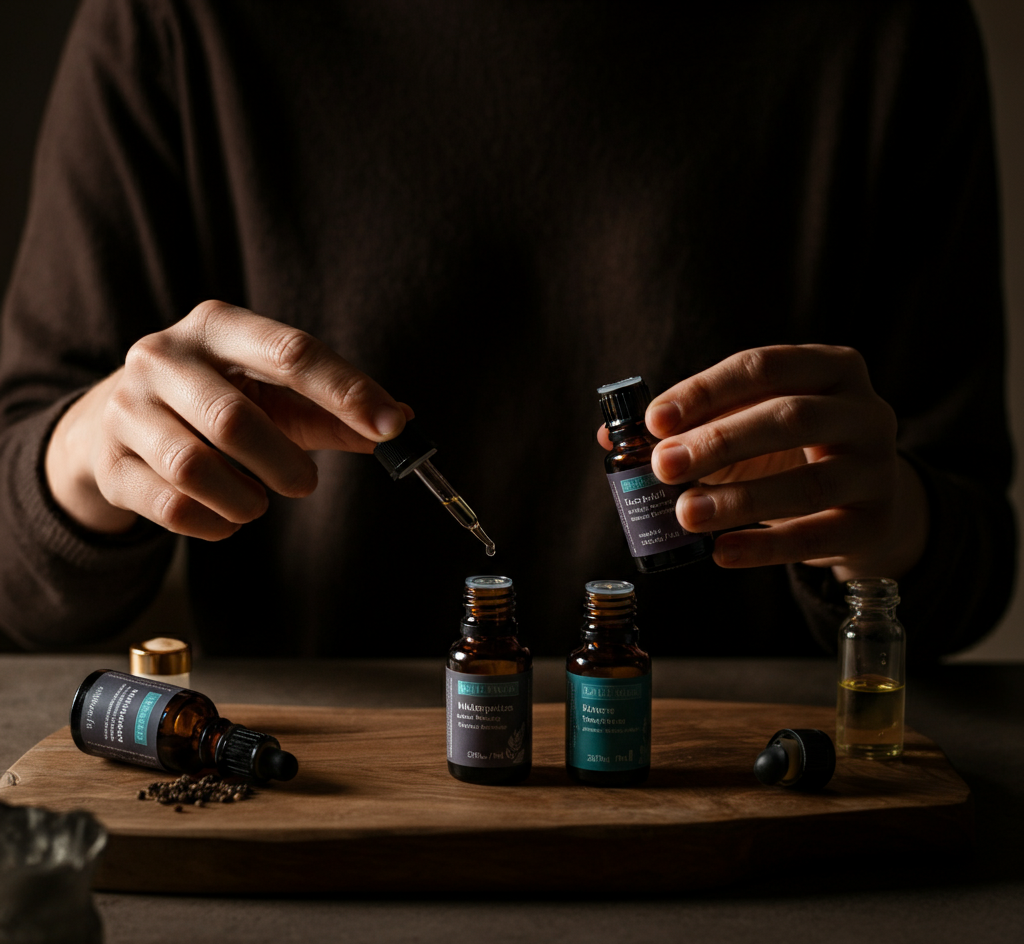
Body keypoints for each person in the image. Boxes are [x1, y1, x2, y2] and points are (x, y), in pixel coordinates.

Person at [0, 0, 1014, 658]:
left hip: (751, 821)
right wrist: (83, 460)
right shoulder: (171, 24)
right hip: (321, 821)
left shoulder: (888, 27)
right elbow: (16, 576)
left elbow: (965, 569)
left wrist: (879, 537)